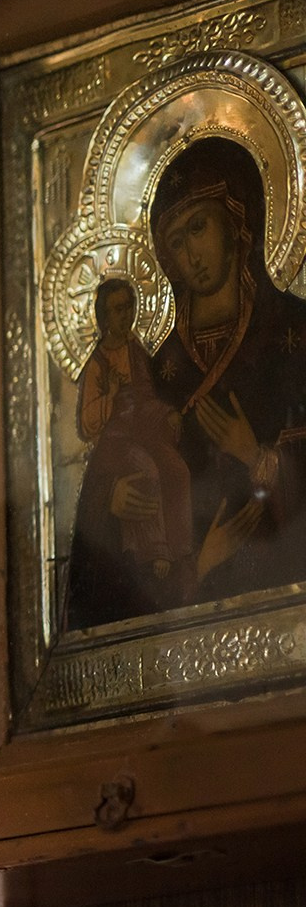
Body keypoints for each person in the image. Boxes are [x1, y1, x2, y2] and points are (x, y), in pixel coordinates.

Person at [124, 139, 306, 608]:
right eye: (177, 242)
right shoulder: (158, 372)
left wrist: (259, 457)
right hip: (192, 607)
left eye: (198, 227)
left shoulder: (293, 331)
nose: (192, 255)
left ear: (237, 219)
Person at [63, 277, 194, 627]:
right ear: (104, 316)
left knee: (177, 469)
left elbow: (145, 398)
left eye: (129, 308)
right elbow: (90, 422)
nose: (126, 316)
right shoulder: (97, 364)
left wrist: (166, 414)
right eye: (118, 310)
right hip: (115, 444)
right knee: (147, 471)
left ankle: (180, 547)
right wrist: (111, 395)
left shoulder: (135, 350)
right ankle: (152, 551)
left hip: (142, 433)